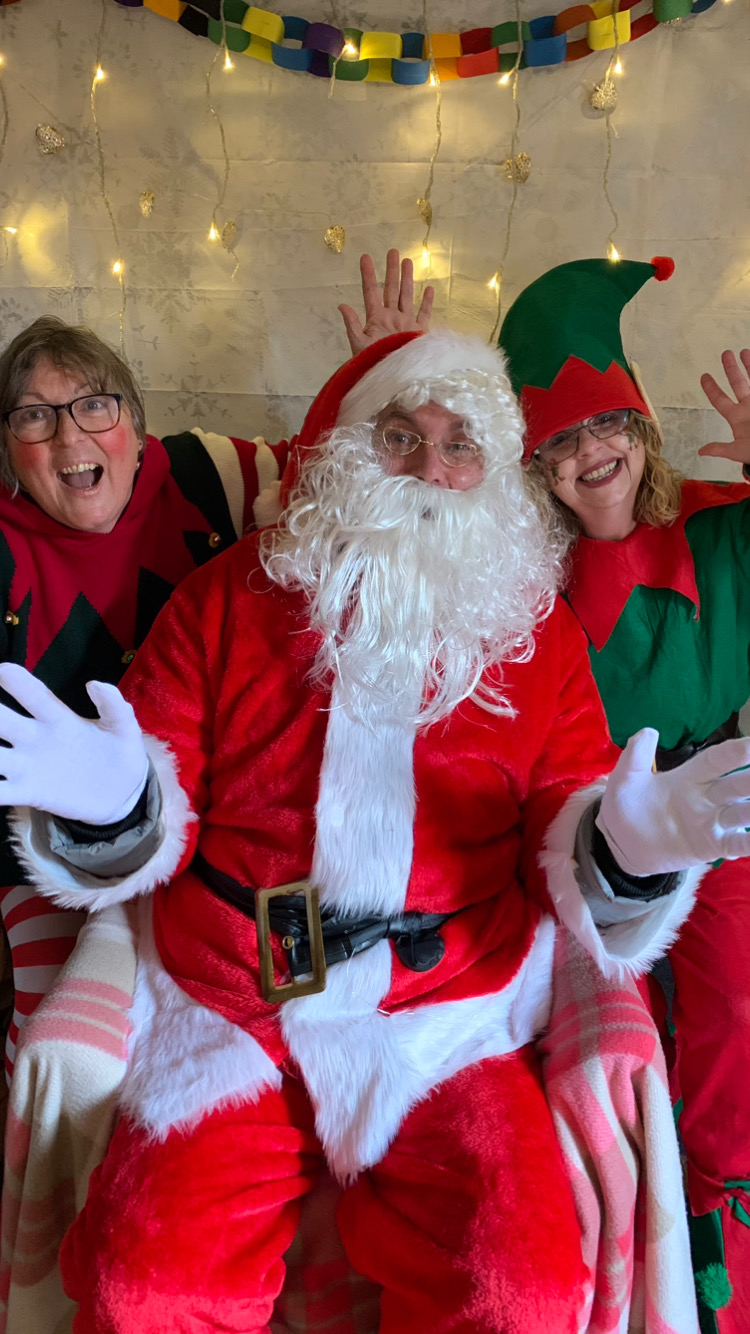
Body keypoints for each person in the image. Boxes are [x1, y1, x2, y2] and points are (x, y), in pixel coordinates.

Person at [4, 325, 750, 1331]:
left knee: (521, 1291)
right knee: (149, 1285)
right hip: (235, 1006)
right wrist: (113, 801)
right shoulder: (229, 596)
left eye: (460, 444)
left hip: (448, 1016)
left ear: (493, 471)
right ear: (351, 449)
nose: (432, 469)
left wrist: (631, 849)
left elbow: (560, 824)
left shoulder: (532, 630)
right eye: (401, 436)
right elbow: (160, 783)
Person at [499, 256, 750, 1334]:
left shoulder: (726, 525)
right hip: (588, 845)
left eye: (608, 424)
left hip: (723, 825)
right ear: (535, 467)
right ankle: (628, 1256)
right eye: (559, 440)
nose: (590, 453)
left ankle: (723, 1254)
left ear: (644, 428)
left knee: (736, 1004)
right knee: (614, 1042)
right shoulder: (522, 579)